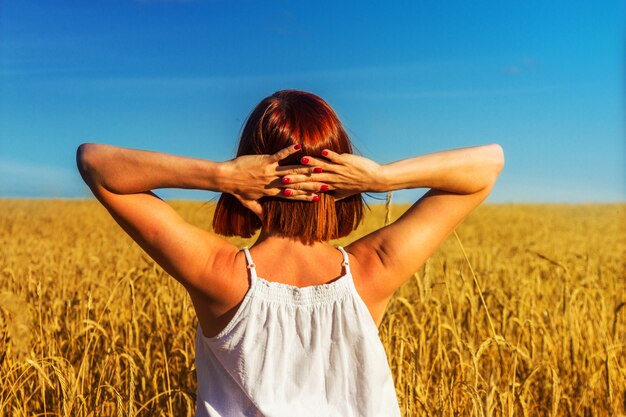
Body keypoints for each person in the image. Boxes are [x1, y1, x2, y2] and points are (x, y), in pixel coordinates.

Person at [76, 89, 504, 417]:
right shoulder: (374, 269)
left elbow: (95, 163)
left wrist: (220, 175)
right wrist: (381, 177)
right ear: (341, 178)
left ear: (251, 172)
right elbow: (489, 164)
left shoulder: (219, 275)